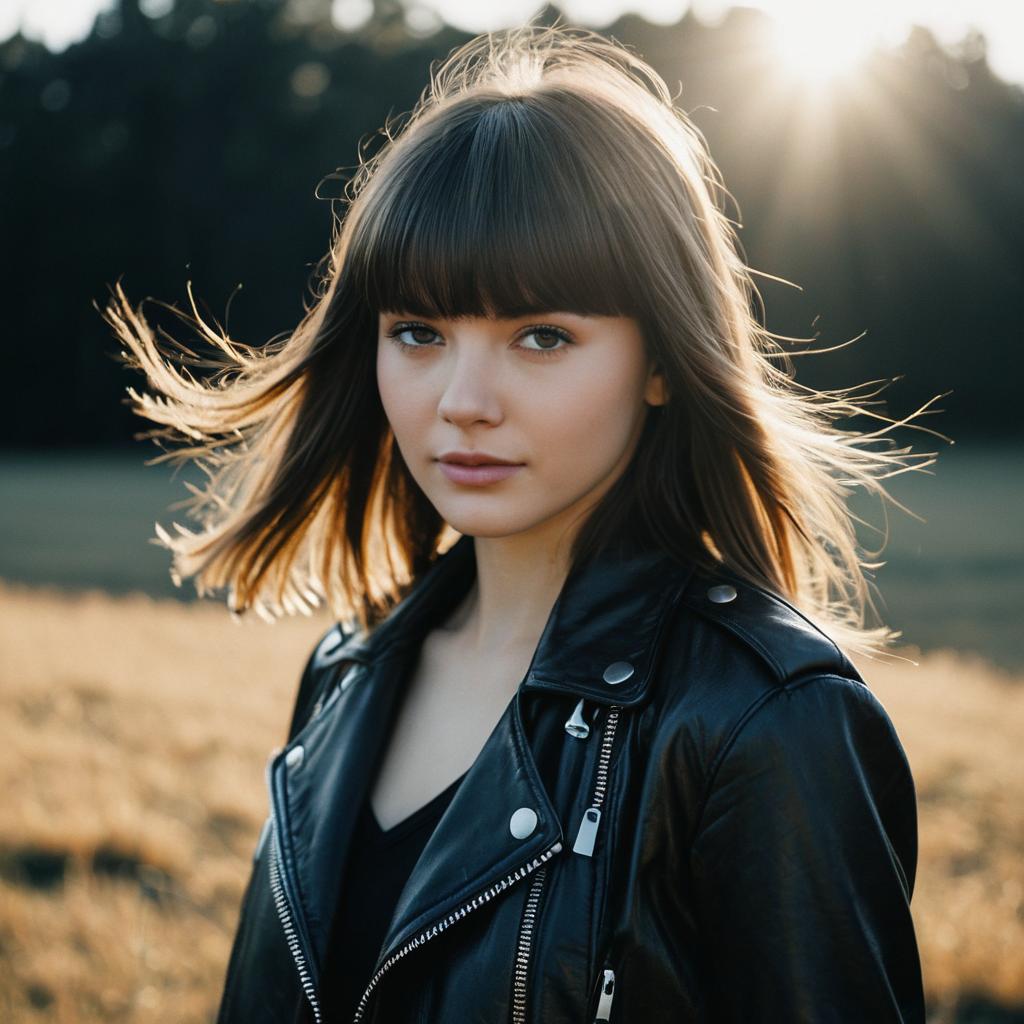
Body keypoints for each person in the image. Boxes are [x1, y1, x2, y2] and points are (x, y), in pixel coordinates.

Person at [101, 20, 939, 1024]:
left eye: (541, 336)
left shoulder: (764, 722)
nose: (462, 401)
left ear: (662, 361)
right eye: (418, 332)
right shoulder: (346, 667)